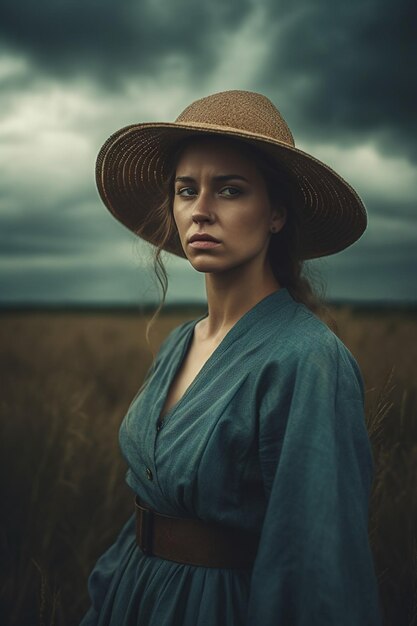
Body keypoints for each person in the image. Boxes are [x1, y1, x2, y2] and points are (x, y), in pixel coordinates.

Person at [80, 90, 383, 625]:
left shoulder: (307, 359)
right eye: (185, 190)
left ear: (275, 215)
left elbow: (316, 564)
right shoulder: (178, 343)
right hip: (134, 597)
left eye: (230, 190)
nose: (201, 210)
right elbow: (148, 513)